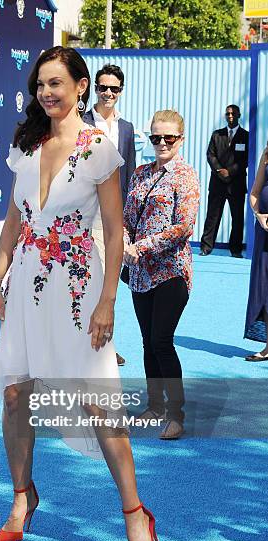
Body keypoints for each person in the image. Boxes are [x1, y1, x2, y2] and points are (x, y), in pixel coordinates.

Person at [0, 46, 161, 541]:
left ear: (81, 86)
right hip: (26, 291)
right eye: (41, 85)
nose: (46, 93)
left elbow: (113, 228)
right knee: (16, 394)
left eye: (56, 83)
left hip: (79, 291)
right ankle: (22, 496)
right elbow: (15, 221)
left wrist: (109, 300)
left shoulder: (100, 148)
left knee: (98, 405)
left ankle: (135, 513)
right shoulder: (26, 144)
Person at [123, 110, 200, 440]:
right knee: (146, 342)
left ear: (181, 139)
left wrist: (141, 247)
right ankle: (154, 405)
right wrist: (126, 242)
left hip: (171, 272)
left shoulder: (186, 176)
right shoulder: (139, 174)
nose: (163, 143)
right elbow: (127, 218)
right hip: (140, 275)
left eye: (169, 138)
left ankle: (176, 415)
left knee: (161, 340)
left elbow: (183, 226)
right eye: (156, 138)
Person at [83, 64, 136, 367]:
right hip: (83, 214)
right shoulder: (82, 122)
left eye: (113, 89)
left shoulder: (126, 128)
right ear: (95, 89)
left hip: (112, 218)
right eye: (102, 87)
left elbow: (127, 173)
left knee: (108, 285)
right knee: (85, 282)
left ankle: (104, 344)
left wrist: (127, 221)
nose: (107, 93)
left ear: (120, 91)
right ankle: (91, 344)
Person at [200, 105, 249, 258]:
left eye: (233, 113)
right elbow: (210, 155)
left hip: (236, 185)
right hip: (217, 183)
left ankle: (235, 250)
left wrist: (230, 171)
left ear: (239, 115)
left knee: (237, 218)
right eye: (227, 114)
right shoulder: (217, 135)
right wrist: (220, 171)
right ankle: (206, 248)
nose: (230, 116)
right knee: (212, 217)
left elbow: (245, 159)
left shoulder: (246, 136)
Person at [244, 143, 268, 361]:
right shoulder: (267, 154)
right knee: (265, 288)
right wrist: (258, 214)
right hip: (265, 233)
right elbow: (254, 193)